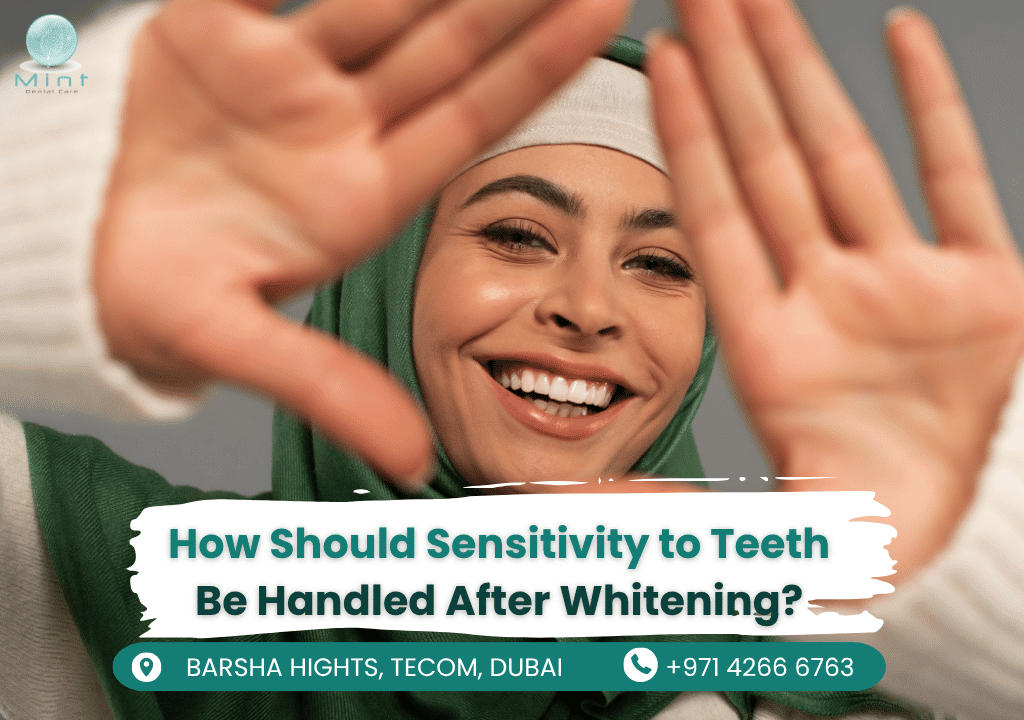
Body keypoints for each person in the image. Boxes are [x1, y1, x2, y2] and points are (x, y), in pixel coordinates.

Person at [0, 0, 1022, 718]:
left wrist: (976, 568)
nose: (586, 308)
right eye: (516, 237)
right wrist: (28, 230)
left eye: (660, 263)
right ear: (385, 282)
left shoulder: (853, 671)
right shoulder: (80, 577)